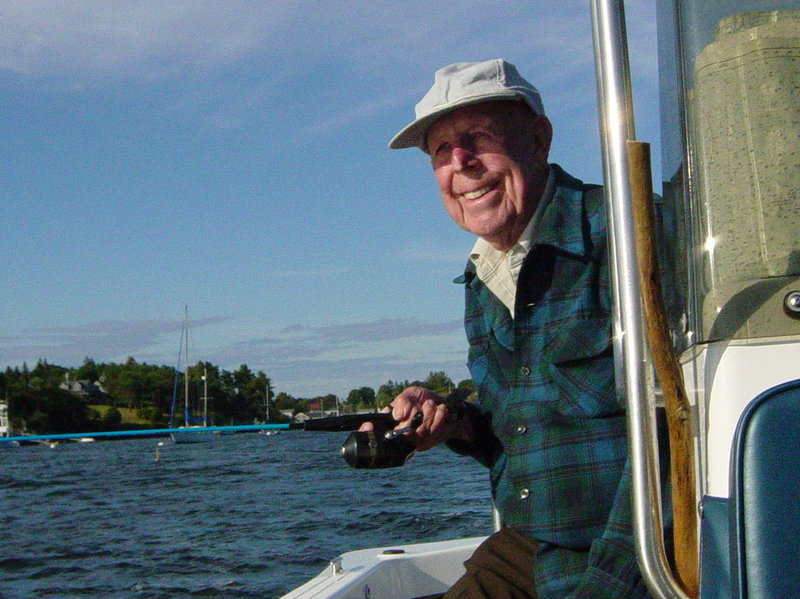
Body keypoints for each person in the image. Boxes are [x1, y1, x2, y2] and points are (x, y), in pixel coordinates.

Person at [376, 59, 652, 598]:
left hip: (631, 555)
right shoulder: (483, 276)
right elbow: (527, 432)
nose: (461, 163)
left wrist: (608, 586)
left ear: (539, 138)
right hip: (532, 547)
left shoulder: (629, 235)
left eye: (478, 137)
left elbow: (682, 448)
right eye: (440, 151)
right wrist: (453, 423)